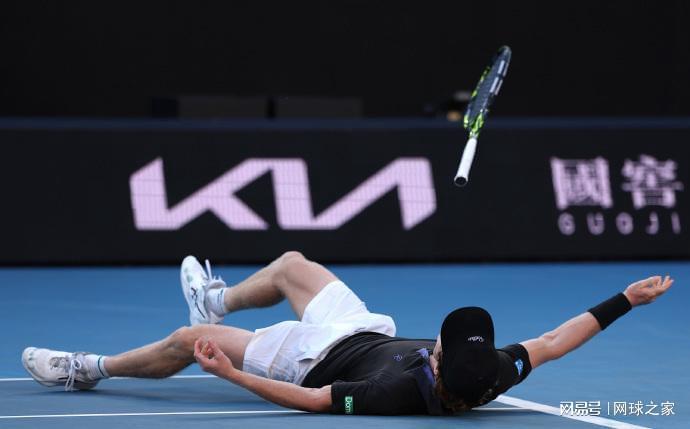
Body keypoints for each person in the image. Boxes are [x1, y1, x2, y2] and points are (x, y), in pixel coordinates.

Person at [22, 252, 673, 415]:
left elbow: (312, 400)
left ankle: (88, 368)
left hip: (309, 358)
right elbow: (556, 340)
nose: (440, 341)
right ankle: (217, 299)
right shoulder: (494, 370)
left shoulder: (393, 391)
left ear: (438, 366)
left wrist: (229, 372)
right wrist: (626, 299)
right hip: (364, 329)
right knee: (292, 265)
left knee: (184, 339)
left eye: (442, 344)